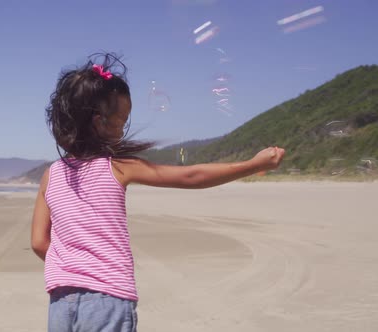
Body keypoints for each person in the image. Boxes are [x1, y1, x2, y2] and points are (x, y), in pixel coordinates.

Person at [30, 52, 285, 332]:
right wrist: (253, 165)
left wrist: (74, 265)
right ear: (99, 122)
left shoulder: (51, 174)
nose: (123, 129)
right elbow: (192, 175)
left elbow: (39, 243)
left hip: (60, 301)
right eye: (121, 120)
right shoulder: (118, 167)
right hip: (107, 299)